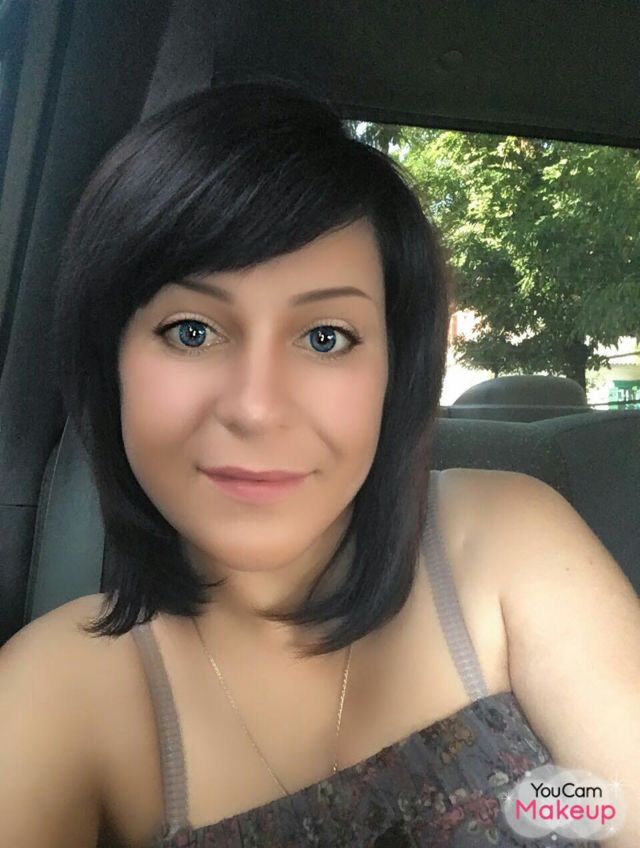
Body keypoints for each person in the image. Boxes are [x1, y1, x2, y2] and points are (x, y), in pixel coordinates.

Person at [0, 78, 638, 848]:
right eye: (191, 331)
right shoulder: (60, 689)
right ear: (110, 364)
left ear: (395, 372)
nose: (256, 408)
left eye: (326, 337)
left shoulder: (503, 541)